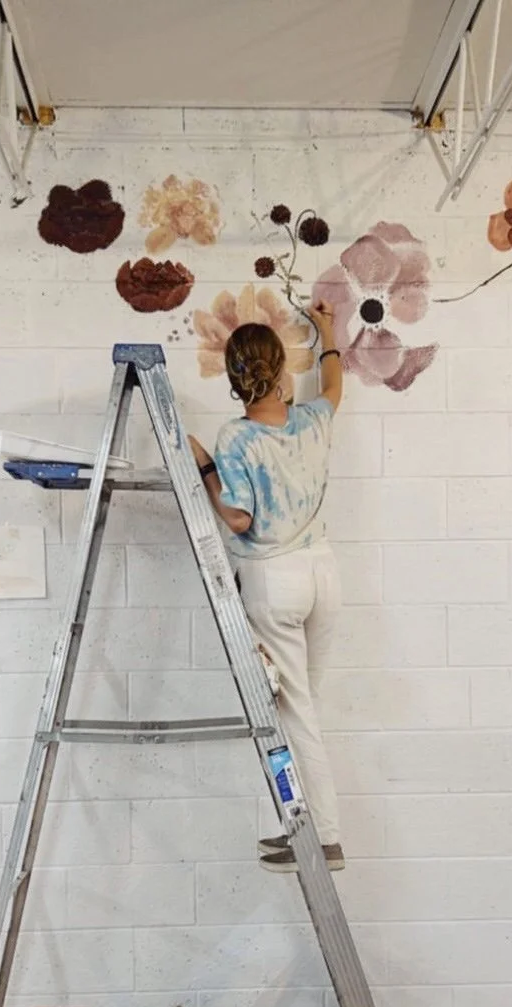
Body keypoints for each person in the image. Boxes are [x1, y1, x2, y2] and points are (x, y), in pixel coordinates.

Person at [188, 301, 344, 873]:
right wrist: (326, 330)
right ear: (280, 369)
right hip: (323, 574)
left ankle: (324, 838)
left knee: (295, 715)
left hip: (275, 580)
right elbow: (334, 384)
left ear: (234, 378)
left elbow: (237, 518)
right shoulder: (311, 420)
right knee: (306, 710)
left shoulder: (236, 437)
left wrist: (205, 466)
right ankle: (308, 828)